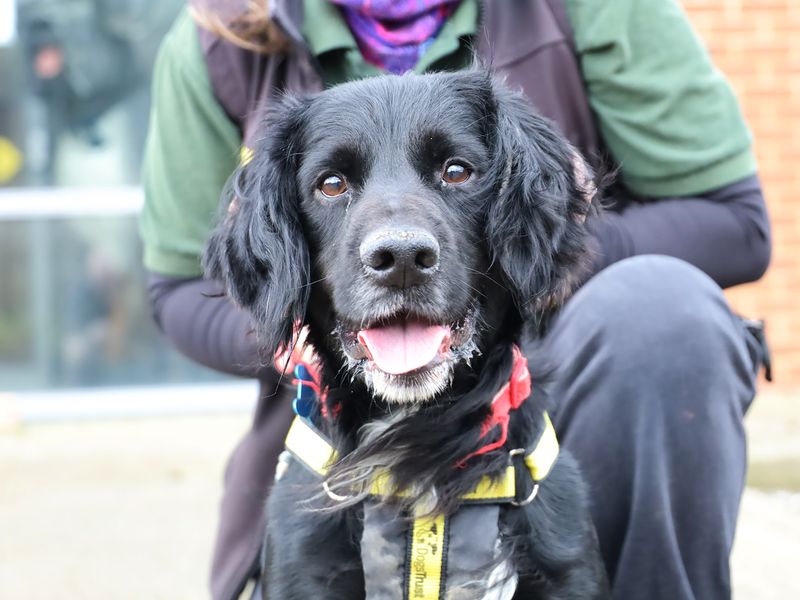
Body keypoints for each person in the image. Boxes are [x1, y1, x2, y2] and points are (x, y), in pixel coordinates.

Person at [138, 1, 772, 598]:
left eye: (458, 172)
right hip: (326, 418)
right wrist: (288, 337)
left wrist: (547, 248)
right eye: (333, 183)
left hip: (551, 372)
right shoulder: (220, 31)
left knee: (666, 314)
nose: (396, 241)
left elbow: (735, 223)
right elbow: (179, 288)